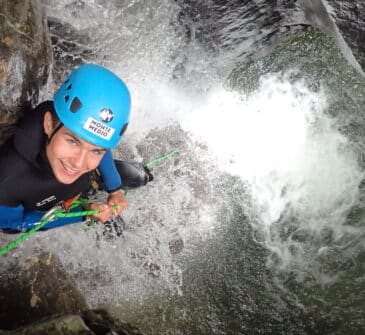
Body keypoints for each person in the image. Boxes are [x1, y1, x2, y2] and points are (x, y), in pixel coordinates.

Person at [0, 64, 152, 232]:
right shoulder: (8, 179)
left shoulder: (79, 143)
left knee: (141, 177)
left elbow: (100, 143)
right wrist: (83, 212)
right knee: (116, 230)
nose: (79, 163)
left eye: (96, 150)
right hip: (45, 202)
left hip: (83, 184)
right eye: (72, 141)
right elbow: (13, 225)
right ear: (49, 124)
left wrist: (115, 189)